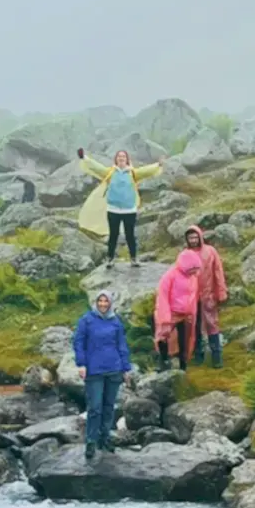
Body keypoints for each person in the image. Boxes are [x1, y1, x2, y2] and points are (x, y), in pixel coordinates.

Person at [78, 148, 164, 264]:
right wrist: (84, 157)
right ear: (116, 159)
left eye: (123, 156)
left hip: (129, 210)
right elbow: (96, 167)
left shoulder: (133, 173)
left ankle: (133, 259)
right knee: (113, 235)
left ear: (127, 159)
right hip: (113, 210)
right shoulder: (110, 172)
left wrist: (158, 165)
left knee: (130, 235)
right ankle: (110, 258)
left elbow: (146, 171)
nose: (121, 158)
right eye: (119, 156)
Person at [73, 290, 132, 458]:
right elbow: (78, 342)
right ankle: (91, 441)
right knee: (95, 408)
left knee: (109, 407)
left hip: (114, 369)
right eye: (100, 301)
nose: (103, 304)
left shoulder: (116, 322)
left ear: (111, 303)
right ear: (96, 302)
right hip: (94, 371)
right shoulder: (87, 320)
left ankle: (105, 438)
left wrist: (126, 368)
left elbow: (122, 345)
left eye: (106, 301)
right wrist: (81, 364)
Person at [183, 226, 229, 369]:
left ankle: (217, 356)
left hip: (209, 294)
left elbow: (218, 271)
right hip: (191, 296)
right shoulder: (184, 254)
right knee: (194, 326)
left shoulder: (210, 251)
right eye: (191, 238)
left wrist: (221, 291)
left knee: (212, 324)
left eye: (196, 237)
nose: (193, 240)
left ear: (200, 237)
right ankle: (198, 355)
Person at [154, 248, 203, 371]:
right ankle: (163, 361)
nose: (194, 272)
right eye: (192, 269)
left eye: (196, 269)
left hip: (187, 314)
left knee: (185, 340)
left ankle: (183, 365)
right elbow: (162, 298)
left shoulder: (193, 277)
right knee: (162, 336)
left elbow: (193, 296)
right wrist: (165, 319)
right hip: (172, 313)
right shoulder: (169, 276)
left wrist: (193, 313)